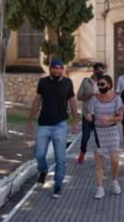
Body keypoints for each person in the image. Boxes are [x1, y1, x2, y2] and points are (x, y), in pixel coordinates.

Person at [26, 60, 80, 199]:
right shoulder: (43, 82)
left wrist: (75, 120)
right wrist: (30, 119)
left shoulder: (68, 83)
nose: (57, 71)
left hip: (61, 125)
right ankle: (43, 171)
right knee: (39, 154)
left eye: (59, 69)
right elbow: (37, 100)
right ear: (50, 69)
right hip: (44, 124)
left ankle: (57, 185)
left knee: (60, 158)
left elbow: (72, 101)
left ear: (63, 69)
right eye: (54, 69)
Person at [86, 75, 124, 199]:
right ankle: (99, 188)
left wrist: (109, 118)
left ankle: (114, 181)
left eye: (102, 84)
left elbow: (120, 117)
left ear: (109, 85)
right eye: (99, 85)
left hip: (112, 131)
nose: (100, 87)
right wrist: (89, 117)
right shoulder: (94, 99)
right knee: (98, 163)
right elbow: (90, 113)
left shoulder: (117, 99)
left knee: (115, 160)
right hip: (98, 133)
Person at [77, 62, 105, 164]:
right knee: (85, 136)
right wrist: (90, 94)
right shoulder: (86, 82)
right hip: (87, 114)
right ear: (94, 71)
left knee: (99, 138)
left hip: (99, 115)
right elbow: (79, 97)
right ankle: (82, 152)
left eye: (102, 71)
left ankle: (100, 159)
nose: (100, 73)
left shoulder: (104, 82)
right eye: (98, 71)